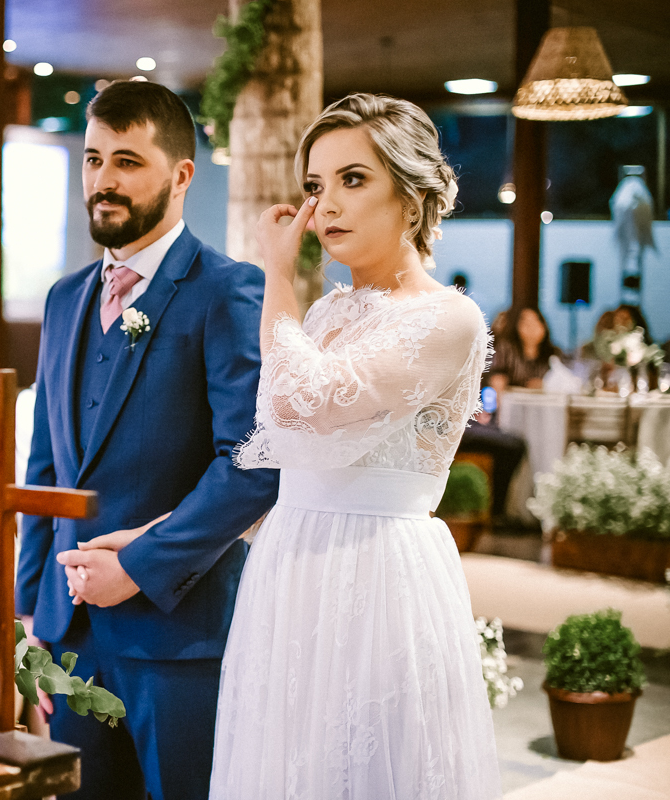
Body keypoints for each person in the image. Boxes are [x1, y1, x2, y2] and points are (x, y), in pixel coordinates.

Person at [208, 93, 499, 797]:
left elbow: (299, 403)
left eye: (353, 178)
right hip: (290, 559)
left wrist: (277, 273)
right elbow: (286, 428)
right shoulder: (326, 312)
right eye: (316, 185)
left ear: (411, 196)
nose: (326, 204)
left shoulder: (449, 317)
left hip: (377, 568)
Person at [16, 80, 278, 800]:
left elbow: (252, 464)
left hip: (178, 636)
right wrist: (30, 613)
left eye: (127, 161)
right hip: (68, 632)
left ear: (182, 174)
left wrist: (138, 564)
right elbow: (46, 463)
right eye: (93, 159)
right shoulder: (65, 298)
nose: (103, 180)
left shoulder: (226, 289)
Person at [489, 305, 562, 393]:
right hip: (513, 398)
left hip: (545, 399)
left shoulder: (553, 353)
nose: (531, 328)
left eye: (535, 322)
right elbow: (497, 378)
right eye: (526, 323)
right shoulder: (506, 350)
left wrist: (545, 384)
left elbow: (564, 379)